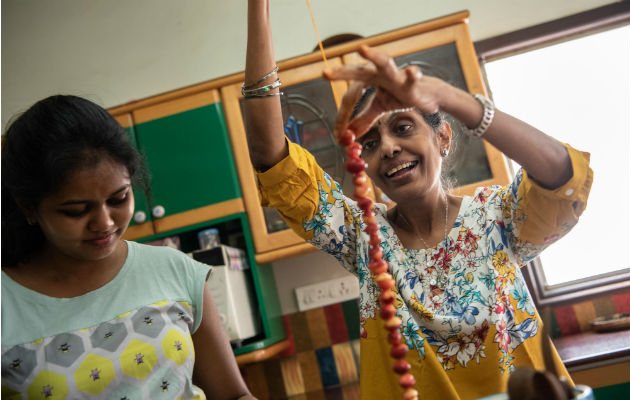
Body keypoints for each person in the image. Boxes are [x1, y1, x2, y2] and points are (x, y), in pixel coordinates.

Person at [242, 1, 593, 399]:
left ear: (442, 138)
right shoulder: (364, 237)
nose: (388, 148)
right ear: (364, 165)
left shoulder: (496, 217)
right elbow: (272, 156)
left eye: (403, 127)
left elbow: (561, 175)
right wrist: (259, 6)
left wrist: (450, 97)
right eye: (369, 143)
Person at [1, 95, 256, 400]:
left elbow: (233, 396)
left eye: (118, 199)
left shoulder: (173, 270)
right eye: (76, 210)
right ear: (29, 208)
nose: (104, 222)